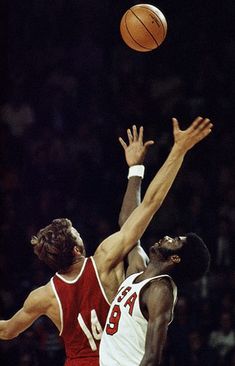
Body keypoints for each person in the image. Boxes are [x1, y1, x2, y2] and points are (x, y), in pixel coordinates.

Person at [0, 116, 212, 366]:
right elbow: (144, 210)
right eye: (78, 232)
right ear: (78, 249)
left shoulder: (43, 296)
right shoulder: (106, 260)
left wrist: (135, 169)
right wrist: (162, 158)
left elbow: (6, 331)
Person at [99, 118, 213, 366]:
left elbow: (152, 359)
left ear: (175, 258)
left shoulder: (160, 290)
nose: (169, 237)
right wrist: (135, 169)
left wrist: (179, 149)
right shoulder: (138, 271)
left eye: (176, 241)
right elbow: (129, 224)